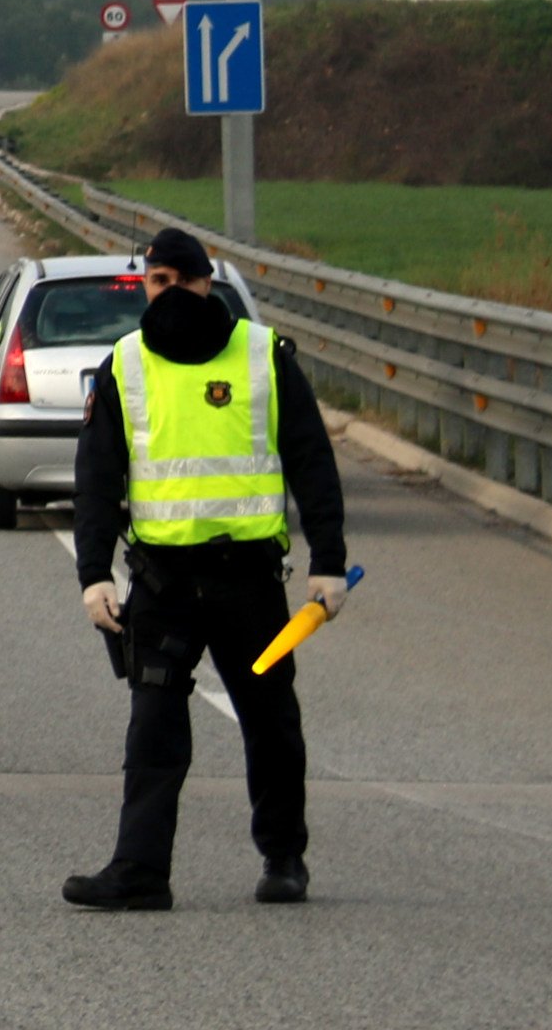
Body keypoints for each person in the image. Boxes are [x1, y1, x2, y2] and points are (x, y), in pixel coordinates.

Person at [63, 225, 350, 911]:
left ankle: (284, 859)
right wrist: (94, 574)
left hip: (248, 581)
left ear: (205, 282)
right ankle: (139, 870)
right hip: (161, 582)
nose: (168, 293)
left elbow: (312, 460)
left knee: (270, 722)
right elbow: (98, 476)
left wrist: (329, 561)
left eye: (179, 281)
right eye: (155, 282)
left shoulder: (263, 356)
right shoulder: (126, 363)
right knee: (153, 728)